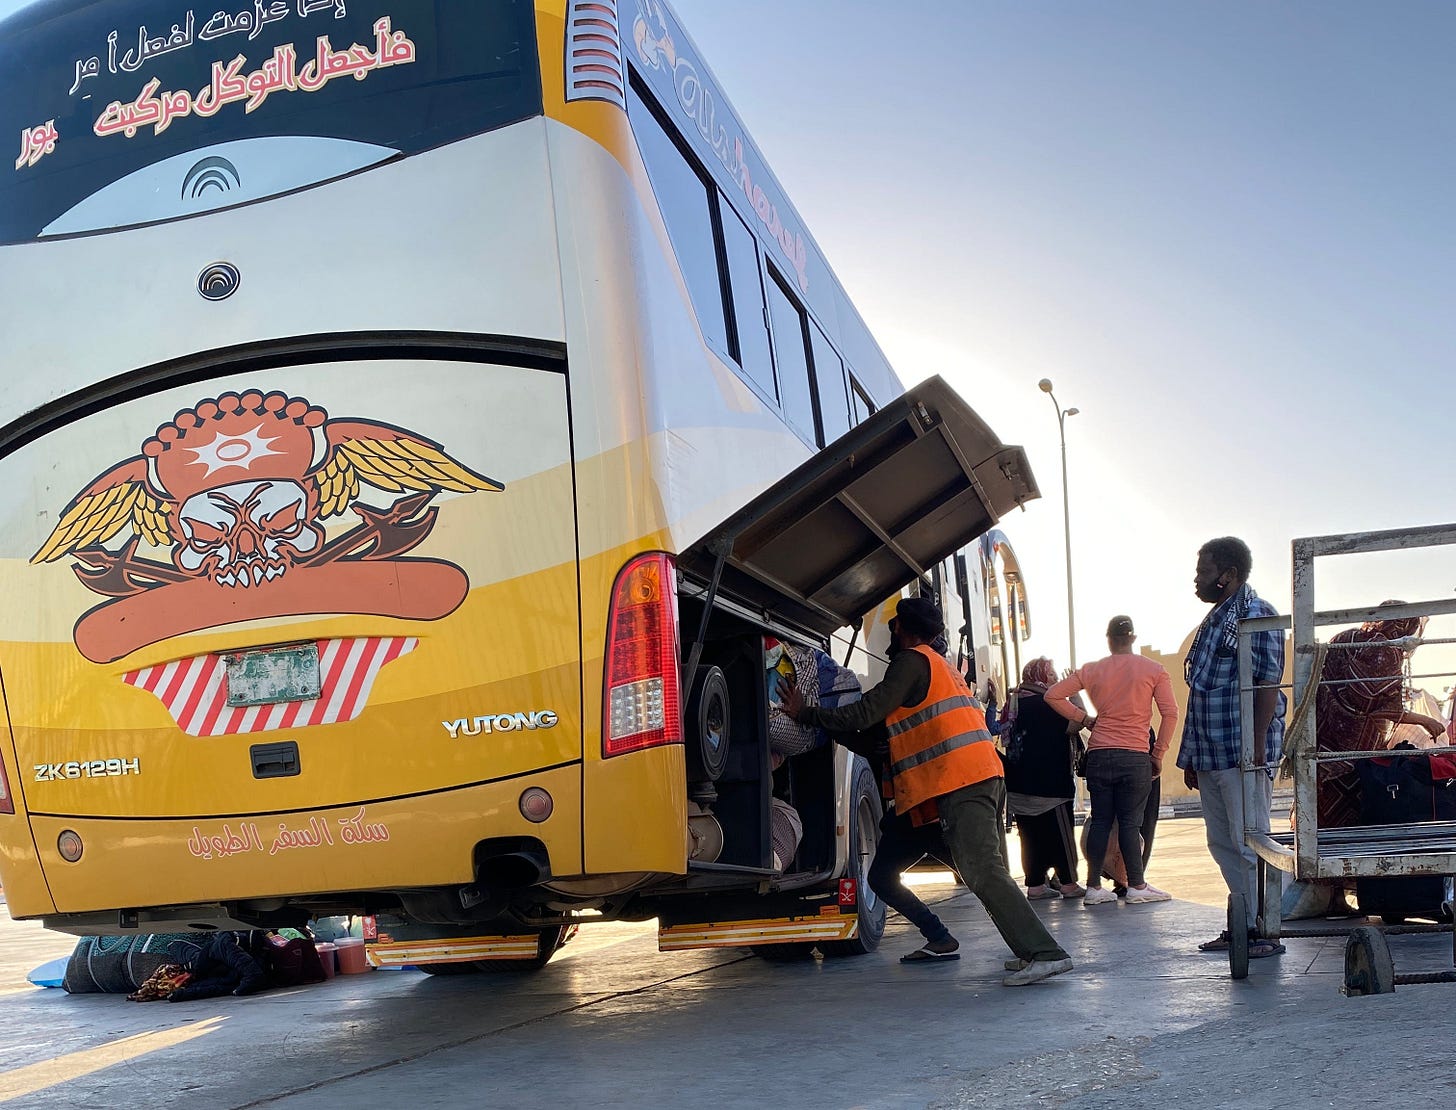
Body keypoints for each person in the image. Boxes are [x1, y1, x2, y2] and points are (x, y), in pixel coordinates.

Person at [777, 596, 1074, 986]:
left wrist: (807, 714)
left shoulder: (912, 662)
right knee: (883, 875)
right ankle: (939, 937)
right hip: (931, 798)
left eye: (894, 625)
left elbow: (865, 712)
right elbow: (874, 736)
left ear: (903, 628)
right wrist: (834, 729)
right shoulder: (938, 667)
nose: (890, 631)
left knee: (984, 872)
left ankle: (1044, 952)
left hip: (961, 782)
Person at [1176, 537, 1287, 958]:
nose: (1197, 580)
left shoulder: (1257, 616)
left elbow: (1267, 684)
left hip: (1242, 754)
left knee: (1250, 843)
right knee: (1222, 843)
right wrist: (1191, 758)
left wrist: (1255, 751)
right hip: (1211, 754)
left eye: (1204, 572)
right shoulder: (1216, 621)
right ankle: (1243, 925)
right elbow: (1202, 694)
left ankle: (1266, 930)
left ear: (1229, 576)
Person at [1045, 616, 1178, 905]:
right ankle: (1136, 886)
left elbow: (1053, 695)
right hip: (1134, 755)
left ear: (1108, 639)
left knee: (1101, 820)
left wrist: (1084, 720)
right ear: (1132, 639)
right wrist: (1158, 754)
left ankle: (1093, 887)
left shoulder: (1091, 670)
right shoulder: (1153, 670)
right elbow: (1170, 714)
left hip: (1100, 754)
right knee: (1130, 824)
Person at [998, 658, 1085, 900]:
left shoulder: (1014, 702)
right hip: (1050, 787)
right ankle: (1068, 884)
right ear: (1043, 677)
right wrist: (1075, 692)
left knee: (1030, 838)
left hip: (1018, 785)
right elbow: (1076, 722)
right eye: (1053, 675)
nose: (1056, 679)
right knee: (1061, 837)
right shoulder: (1048, 703)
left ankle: (1035, 886)